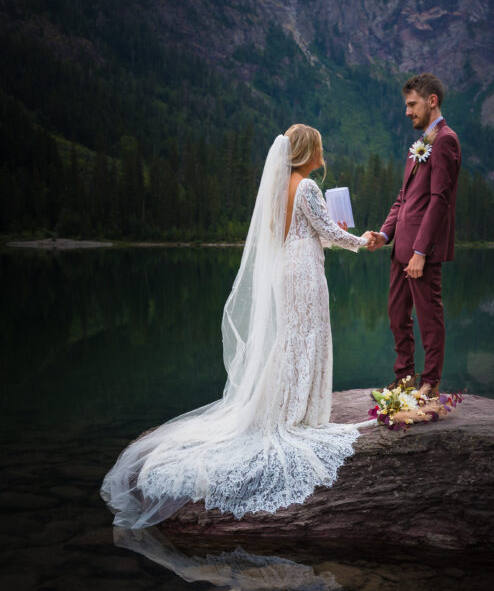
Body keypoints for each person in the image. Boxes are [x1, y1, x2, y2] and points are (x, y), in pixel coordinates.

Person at [101, 125, 373, 530]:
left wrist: (335, 238)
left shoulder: (282, 187)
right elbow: (327, 233)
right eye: (319, 146)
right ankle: (299, 411)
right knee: (310, 334)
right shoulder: (309, 188)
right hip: (304, 270)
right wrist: (363, 240)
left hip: (287, 267)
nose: (323, 151)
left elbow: (302, 233)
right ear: (307, 151)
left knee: (293, 336)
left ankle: (288, 405)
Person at [367, 73, 461, 398]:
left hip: (422, 251)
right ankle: (404, 377)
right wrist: (383, 234)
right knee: (397, 316)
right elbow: (402, 198)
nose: (407, 112)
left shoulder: (446, 140)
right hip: (400, 249)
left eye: (412, 104)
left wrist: (421, 251)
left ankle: (430, 383)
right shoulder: (420, 145)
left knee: (429, 317)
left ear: (431, 100)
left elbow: (439, 200)